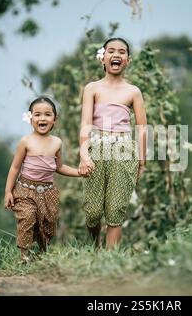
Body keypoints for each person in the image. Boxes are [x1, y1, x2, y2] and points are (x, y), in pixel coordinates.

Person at [79, 37, 147, 250]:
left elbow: (142, 127)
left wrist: (142, 160)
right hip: (96, 147)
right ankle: (94, 249)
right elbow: (85, 124)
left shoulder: (133, 91)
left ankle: (109, 260)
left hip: (124, 150)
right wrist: (84, 153)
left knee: (116, 208)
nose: (116, 55)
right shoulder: (92, 88)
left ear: (128, 60)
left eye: (121, 52)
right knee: (92, 210)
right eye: (111, 51)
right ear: (103, 58)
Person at [4, 96, 82, 262]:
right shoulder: (26, 141)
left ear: (55, 119)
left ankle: (41, 254)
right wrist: (8, 191)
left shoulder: (57, 143)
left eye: (47, 114)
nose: (42, 118)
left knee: (46, 225)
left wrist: (79, 172)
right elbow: (15, 167)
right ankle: (24, 255)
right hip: (25, 189)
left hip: (47, 191)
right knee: (27, 217)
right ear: (30, 118)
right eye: (37, 114)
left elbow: (59, 167)